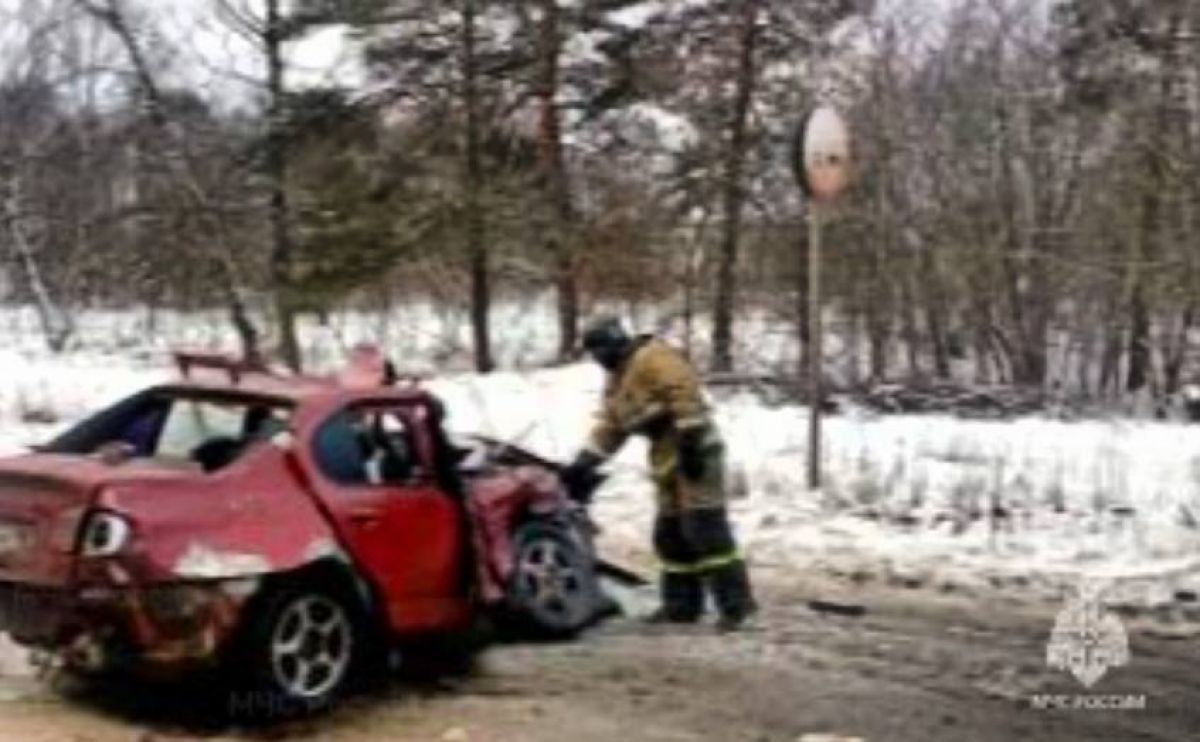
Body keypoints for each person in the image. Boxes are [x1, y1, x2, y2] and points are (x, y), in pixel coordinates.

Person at [562, 316, 756, 631]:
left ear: (614, 343)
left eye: (600, 350)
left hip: (694, 448)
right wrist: (584, 462)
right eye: (593, 353)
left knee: (704, 527)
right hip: (664, 452)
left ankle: (737, 606)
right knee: (670, 534)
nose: (598, 359)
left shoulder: (653, 357)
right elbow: (613, 425)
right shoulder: (618, 379)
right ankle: (682, 606)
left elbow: (684, 391)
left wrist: (691, 440)